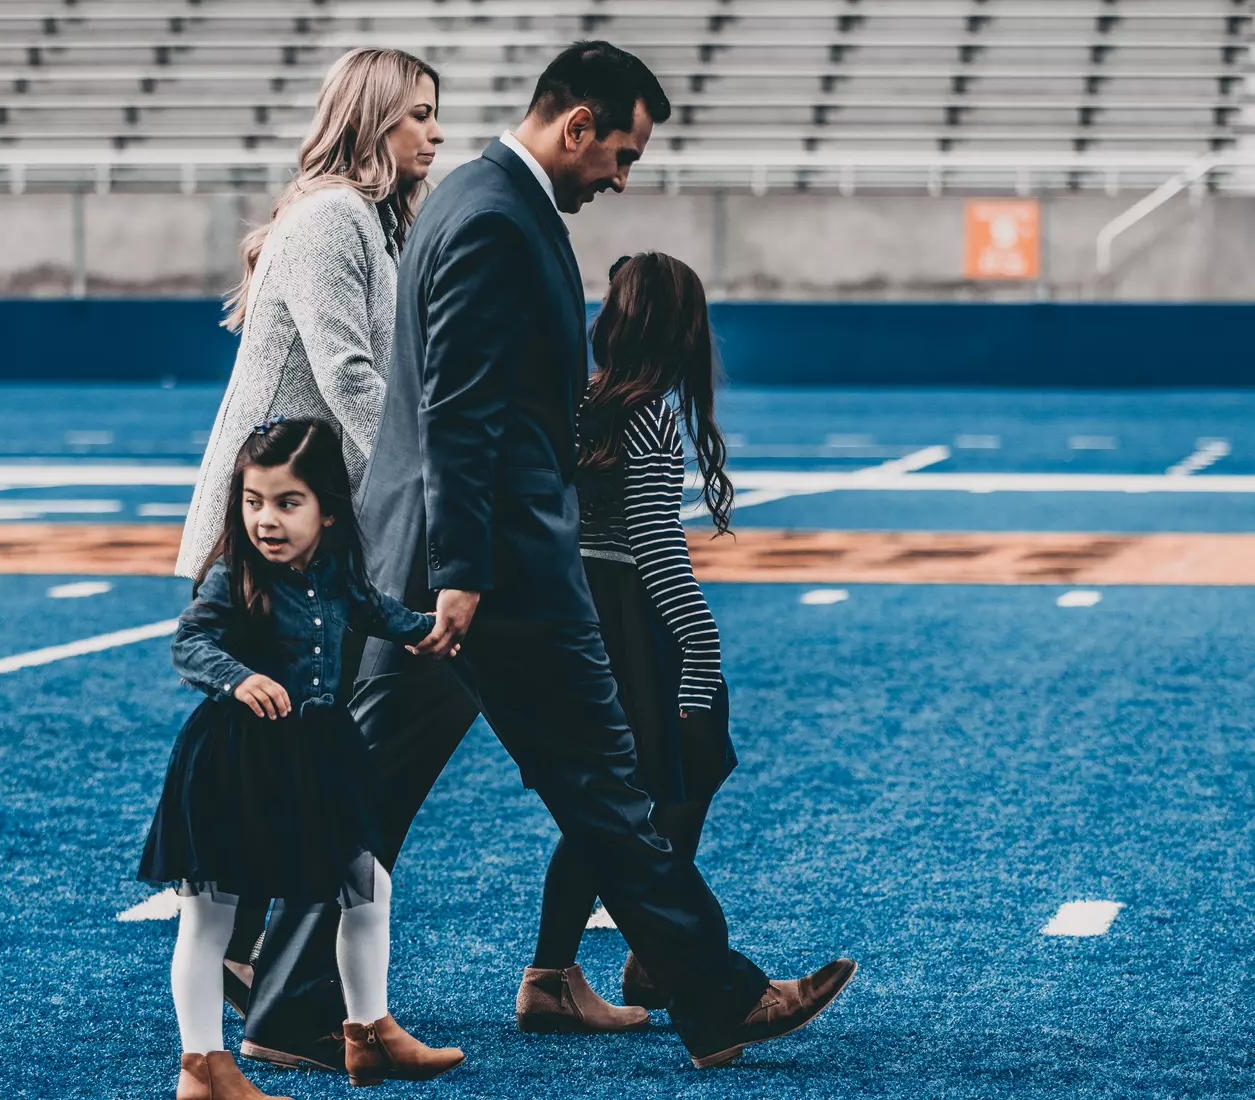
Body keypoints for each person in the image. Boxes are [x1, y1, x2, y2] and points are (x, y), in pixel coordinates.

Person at [247, 39, 858, 1074]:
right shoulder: (494, 215)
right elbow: (462, 412)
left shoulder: (470, 198)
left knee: (367, 793)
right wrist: (465, 571)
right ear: (576, 124)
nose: (621, 177)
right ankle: (719, 995)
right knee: (603, 783)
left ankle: (292, 1004)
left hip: (431, 561)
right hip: (494, 573)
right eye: (620, 152)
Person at [170, 45, 442, 1025]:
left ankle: (249, 953)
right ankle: (243, 961)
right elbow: (349, 379)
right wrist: (426, 488)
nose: (435, 133)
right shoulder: (333, 219)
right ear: (371, 122)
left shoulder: (364, 222)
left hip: (304, 523)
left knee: (301, 734)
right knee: (279, 736)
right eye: (416, 115)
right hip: (270, 527)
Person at [138, 417, 465, 1097]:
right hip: (235, 762)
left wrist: (429, 630)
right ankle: (202, 1066)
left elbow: (373, 609)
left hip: (312, 757)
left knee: (368, 886)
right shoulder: (232, 576)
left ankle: (369, 1033)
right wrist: (238, 677)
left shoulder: (334, 568)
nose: (267, 520)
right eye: (254, 502)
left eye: (287, 503)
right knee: (211, 916)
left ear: (327, 508)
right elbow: (189, 644)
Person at [516, 251, 741, 1033]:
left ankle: (622, 959)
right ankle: (634, 957)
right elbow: (655, 548)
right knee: (668, 777)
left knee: (613, 800)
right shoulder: (648, 412)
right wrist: (703, 654)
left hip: (574, 609)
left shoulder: (577, 399)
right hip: (629, 620)